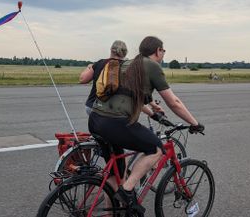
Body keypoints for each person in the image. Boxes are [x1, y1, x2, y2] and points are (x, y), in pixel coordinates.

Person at [88, 36, 204, 211]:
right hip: (114, 123)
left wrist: (155, 115)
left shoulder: (129, 64)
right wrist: (194, 123)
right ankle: (127, 191)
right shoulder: (152, 66)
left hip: (96, 119)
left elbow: (128, 96)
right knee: (156, 149)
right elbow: (174, 102)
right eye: (163, 51)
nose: (163, 54)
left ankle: (111, 213)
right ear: (157, 51)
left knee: (115, 174)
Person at [79, 40, 128, 116]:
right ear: (125, 52)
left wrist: (89, 67)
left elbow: (82, 79)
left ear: (111, 50)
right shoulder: (126, 67)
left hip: (93, 105)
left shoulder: (100, 63)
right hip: (114, 109)